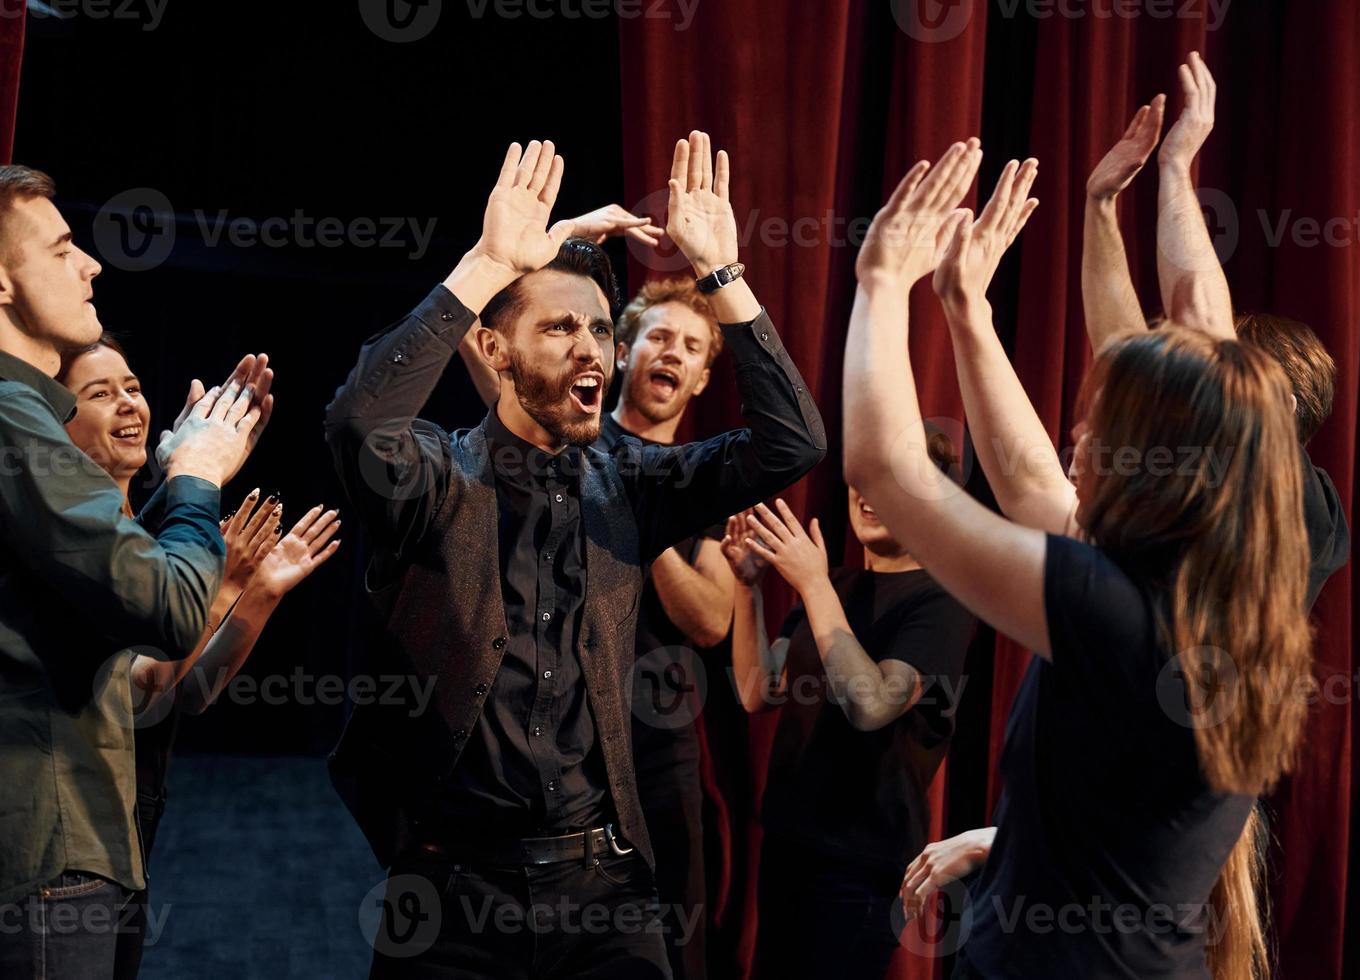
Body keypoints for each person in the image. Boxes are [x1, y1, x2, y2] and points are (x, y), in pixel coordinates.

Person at [324, 133, 824, 979]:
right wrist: (485, 265)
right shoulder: (437, 476)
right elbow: (356, 424)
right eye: (560, 328)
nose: (592, 349)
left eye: (599, 329)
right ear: (494, 351)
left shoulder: (632, 479)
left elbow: (792, 445)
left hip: (604, 887)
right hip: (451, 888)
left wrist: (724, 279)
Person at [844, 140, 1314, 979]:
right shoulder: (1214, 587)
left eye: (1105, 427)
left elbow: (887, 469)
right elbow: (1031, 487)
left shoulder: (1119, 612)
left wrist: (880, 283)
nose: (1079, 438)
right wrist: (965, 309)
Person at [0, 165, 270, 978]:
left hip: (82, 843)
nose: (91, 265)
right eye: (60, 250)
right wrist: (195, 475)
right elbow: (167, 611)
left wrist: (177, 480)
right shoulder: (12, 419)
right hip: (49, 850)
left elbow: (100, 612)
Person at [460, 267, 737, 980]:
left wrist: (643, 515)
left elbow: (711, 622)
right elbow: (469, 333)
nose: (671, 354)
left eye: (691, 346)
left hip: (658, 748)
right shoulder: (556, 435)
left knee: (668, 950)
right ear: (621, 353)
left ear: (704, 377)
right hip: (557, 749)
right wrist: (552, 254)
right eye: (657, 337)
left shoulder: (697, 477)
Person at [54, 331, 340, 979]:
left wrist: (257, 591)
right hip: (73, 849)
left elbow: (192, 692)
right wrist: (223, 586)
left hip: (129, 827)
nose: (129, 403)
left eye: (132, 386)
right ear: (52, 423)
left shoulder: (142, 525)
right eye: (99, 393)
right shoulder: (73, 535)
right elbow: (144, 694)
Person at [1081, 51, 1349, 605]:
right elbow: (1124, 358)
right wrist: (1100, 205)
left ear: (1280, 403)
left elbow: (1202, 325)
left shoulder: (1309, 508)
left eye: (1224, 371)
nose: (1198, 381)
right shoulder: (1189, 465)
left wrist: (1176, 166)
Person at [722, 427, 976, 979]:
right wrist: (746, 587)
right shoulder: (834, 584)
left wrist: (812, 585)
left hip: (859, 866)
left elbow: (871, 704)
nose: (871, 493)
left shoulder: (941, 601)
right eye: (867, 478)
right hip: (789, 845)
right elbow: (755, 691)